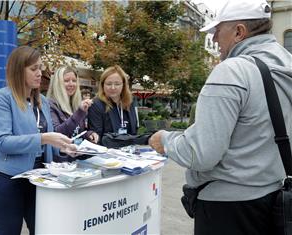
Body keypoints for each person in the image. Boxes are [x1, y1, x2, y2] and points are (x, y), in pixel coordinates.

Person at [149, 0, 292, 234]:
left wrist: (165, 139)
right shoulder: (286, 64)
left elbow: (201, 153)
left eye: (217, 30)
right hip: (273, 199)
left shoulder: (232, 70)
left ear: (238, 32)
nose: (214, 39)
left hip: (227, 207)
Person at [0, 46, 76, 235]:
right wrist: (44, 138)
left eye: (40, 68)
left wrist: (65, 148)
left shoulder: (42, 101)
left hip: (38, 178)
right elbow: (3, 142)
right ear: (19, 70)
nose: (39, 73)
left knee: (42, 230)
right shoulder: (2, 98)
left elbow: (46, 144)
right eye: (33, 68)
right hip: (7, 180)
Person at [46, 66, 99, 159]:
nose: (71, 84)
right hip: (60, 162)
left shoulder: (76, 103)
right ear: (57, 84)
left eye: (74, 81)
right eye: (66, 81)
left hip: (77, 159)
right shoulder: (50, 105)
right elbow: (57, 133)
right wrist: (79, 113)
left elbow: (77, 132)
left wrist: (88, 135)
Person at [88, 65, 138, 144]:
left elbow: (134, 131)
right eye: (109, 84)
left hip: (129, 152)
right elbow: (97, 137)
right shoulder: (96, 105)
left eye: (117, 84)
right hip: (106, 152)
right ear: (102, 85)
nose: (113, 88)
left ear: (123, 85)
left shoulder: (130, 103)